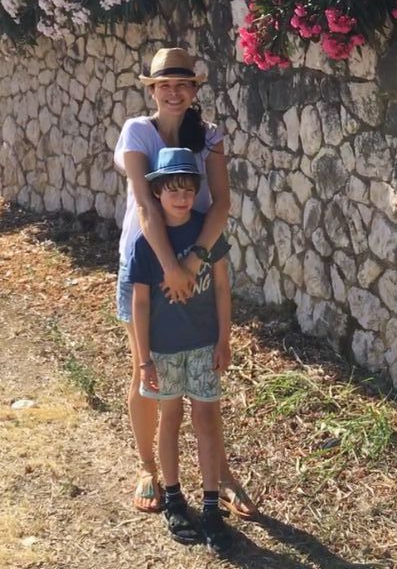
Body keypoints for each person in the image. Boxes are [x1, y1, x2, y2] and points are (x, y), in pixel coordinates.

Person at [113, 46, 257, 518]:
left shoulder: (209, 137)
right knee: (147, 370)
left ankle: (221, 474)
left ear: (194, 90)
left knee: (203, 380)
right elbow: (144, 204)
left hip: (197, 261)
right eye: (163, 85)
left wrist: (193, 261)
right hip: (149, 265)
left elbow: (220, 204)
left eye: (182, 84)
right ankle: (148, 468)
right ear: (152, 90)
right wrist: (170, 267)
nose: (173, 92)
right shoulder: (138, 131)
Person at [128, 146, 233, 554]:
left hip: (204, 345)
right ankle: (173, 497)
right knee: (168, 418)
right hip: (165, 350)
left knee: (207, 419)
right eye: (172, 188)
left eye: (188, 188)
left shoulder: (208, 231)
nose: (182, 196)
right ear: (157, 193)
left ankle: (211, 505)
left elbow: (222, 287)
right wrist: (143, 358)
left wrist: (224, 338)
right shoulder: (147, 243)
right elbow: (139, 302)